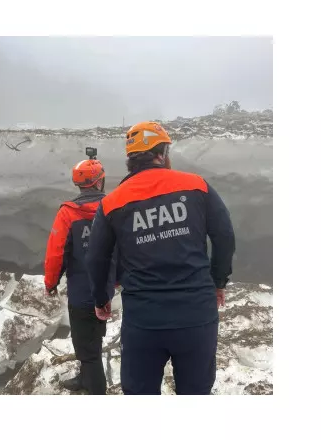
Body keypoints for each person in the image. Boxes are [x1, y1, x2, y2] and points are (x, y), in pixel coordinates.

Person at [85, 121, 235, 395]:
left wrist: (100, 299)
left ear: (131, 159)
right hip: (197, 316)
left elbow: (96, 258)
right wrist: (218, 282)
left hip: (144, 322)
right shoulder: (197, 186)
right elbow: (224, 236)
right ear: (162, 153)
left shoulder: (113, 202)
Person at [43, 153, 115, 395]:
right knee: (92, 340)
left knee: (87, 349)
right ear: (98, 182)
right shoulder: (114, 207)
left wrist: (51, 282)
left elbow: (56, 252)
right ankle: (86, 379)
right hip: (106, 290)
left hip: (81, 293)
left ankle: (95, 390)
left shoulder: (68, 214)